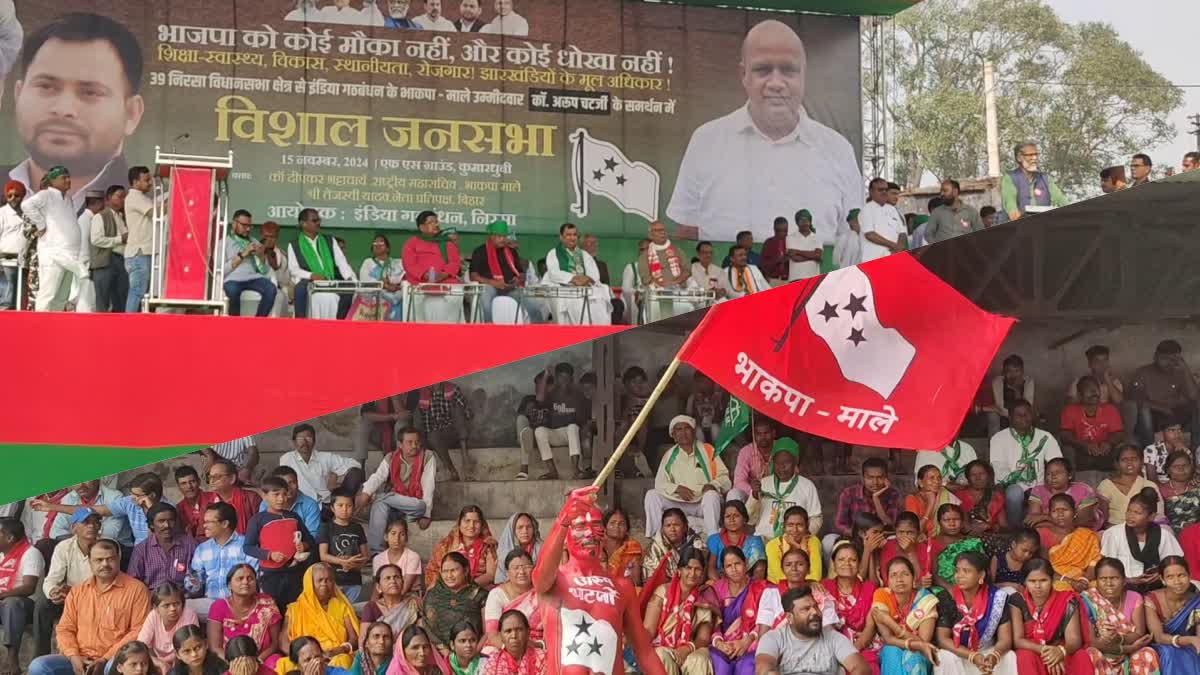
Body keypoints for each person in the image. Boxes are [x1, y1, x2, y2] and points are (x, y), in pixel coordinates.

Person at [666, 19, 861, 248]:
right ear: (744, 74)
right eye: (763, 70)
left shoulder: (838, 150)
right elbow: (687, 231)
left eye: (788, 70)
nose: (776, 83)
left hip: (813, 280)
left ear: (804, 75)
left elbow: (854, 235)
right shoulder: (706, 141)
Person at [10, 13, 143, 208]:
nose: (63, 110)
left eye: (90, 92)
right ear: (18, 95)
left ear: (131, 113)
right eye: (46, 86)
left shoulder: (146, 207)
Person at [532, 486, 667, 675]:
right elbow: (540, 576)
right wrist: (562, 521)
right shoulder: (554, 581)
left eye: (596, 525)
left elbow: (644, 652)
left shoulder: (622, 587)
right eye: (579, 526)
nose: (589, 533)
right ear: (565, 537)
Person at [28, 539, 151, 675]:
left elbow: (137, 631)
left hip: (113, 659)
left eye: (110, 559)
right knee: (39, 666)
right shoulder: (78, 591)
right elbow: (65, 629)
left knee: (120, 667)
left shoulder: (136, 590)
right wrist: (73, 656)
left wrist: (104, 658)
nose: (105, 564)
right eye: (99, 560)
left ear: (119, 559)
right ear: (90, 562)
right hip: (79, 657)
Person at [932, 551, 1018, 675]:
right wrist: (972, 656)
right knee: (944, 656)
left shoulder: (997, 598)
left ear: (981, 575)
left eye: (966, 571)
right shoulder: (947, 597)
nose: (959, 576)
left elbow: (1005, 639)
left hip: (986, 653)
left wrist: (993, 657)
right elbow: (942, 639)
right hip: (959, 653)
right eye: (957, 571)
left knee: (1009, 656)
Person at [645, 415, 730, 539]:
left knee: (711, 495)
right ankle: (656, 538)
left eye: (687, 428)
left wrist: (713, 485)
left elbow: (725, 477)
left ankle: (713, 538)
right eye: (679, 430)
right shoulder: (669, 455)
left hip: (701, 502)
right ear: (673, 436)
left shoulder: (707, 450)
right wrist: (677, 488)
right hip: (679, 503)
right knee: (651, 495)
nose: (683, 433)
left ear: (694, 432)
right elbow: (659, 483)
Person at [755, 585, 871, 675]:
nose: (815, 612)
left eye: (815, 606)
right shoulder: (773, 638)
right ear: (790, 617)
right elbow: (764, 668)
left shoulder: (833, 637)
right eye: (806, 609)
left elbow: (861, 669)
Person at [243, 476, 316, 613]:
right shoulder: (258, 519)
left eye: (284, 494)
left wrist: (304, 546)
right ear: (264, 496)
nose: (281, 499)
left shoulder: (293, 517)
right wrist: (269, 555)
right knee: (272, 610)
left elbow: (310, 540)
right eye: (276, 495)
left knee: (294, 609)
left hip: (295, 570)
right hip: (271, 573)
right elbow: (248, 547)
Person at [1008, 558, 1092, 674]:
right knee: (1023, 655)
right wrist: (1048, 652)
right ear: (1025, 582)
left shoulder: (1066, 600)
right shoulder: (1017, 600)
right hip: (1035, 651)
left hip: (1062, 651)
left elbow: (1074, 639)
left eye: (1043, 580)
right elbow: (1018, 640)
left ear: (1052, 580)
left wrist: (1060, 651)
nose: (1038, 586)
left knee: (1081, 655)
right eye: (1032, 581)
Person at [358, 428, 436, 554]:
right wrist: (366, 492)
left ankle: (380, 497)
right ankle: (376, 554)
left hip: (413, 506)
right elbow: (378, 476)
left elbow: (429, 485)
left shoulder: (428, 456)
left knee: (419, 505)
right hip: (394, 506)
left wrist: (426, 514)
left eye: (417, 442)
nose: (414, 446)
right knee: (379, 505)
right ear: (400, 444)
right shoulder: (391, 457)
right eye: (409, 442)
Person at [1078, 557, 1160, 674]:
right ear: (1096, 581)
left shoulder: (1134, 597)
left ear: (1124, 580)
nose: (1109, 583)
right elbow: (1092, 642)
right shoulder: (1087, 600)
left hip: (1130, 652)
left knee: (1147, 653)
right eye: (1103, 579)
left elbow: (1139, 633)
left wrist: (1119, 638)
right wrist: (1125, 648)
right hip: (1103, 651)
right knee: (1091, 654)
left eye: (1114, 578)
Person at [22, 165, 87, 310]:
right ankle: (39, 327)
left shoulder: (68, 199)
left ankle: (54, 328)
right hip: (53, 252)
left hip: (69, 254)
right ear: (52, 180)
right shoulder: (46, 194)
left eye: (68, 177)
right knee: (48, 293)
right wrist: (40, 224)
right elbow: (27, 205)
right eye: (63, 177)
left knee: (62, 296)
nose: (68, 180)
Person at [35, 508, 98, 658]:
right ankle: (39, 656)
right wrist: (53, 592)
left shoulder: (108, 545)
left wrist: (74, 591)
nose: (92, 526)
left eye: (96, 523)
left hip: (96, 598)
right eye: (86, 522)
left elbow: (104, 583)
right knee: (43, 604)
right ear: (73, 528)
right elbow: (52, 578)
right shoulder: (64, 547)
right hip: (69, 598)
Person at [991, 399, 1063, 530]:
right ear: (1010, 417)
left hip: (1040, 485)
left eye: (1027, 414)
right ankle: (1016, 530)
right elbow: (1000, 472)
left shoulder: (1045, 437)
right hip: (1012, 487)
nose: (1023, 418)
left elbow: (1057, 464)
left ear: (1033, 415)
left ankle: (1037, 529)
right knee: (1014, 492)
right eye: (1018, 415)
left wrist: (1048, 483)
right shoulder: (999, 438)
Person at [642, 546, 712, 675]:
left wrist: (687, 649)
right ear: (679, 570)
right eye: (688, 568)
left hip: (689, 649)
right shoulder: (662, 592)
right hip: (662, 647)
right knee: (661, 654)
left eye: (697, 570)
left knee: (700, 659)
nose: (692, 573)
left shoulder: (703, 601)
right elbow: (649, 629)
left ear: (702, 574)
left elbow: (703, 638)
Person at [277, 564, 360, 673]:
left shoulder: (341, 606)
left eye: (328, 580)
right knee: (284, 664)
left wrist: (339, 650)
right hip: (303, 658)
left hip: (333, 656)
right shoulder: (295, 609)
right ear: (309, 583)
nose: (324, 584)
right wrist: (301, 658)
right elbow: (283, 641)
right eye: (320, 580)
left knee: (343, 660)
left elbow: (354, 638)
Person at [185, 503, 258, 620]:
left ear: (225, 524)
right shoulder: (202, 549)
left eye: (209, 522)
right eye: (205, 522)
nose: (204, 526)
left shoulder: (246, 545)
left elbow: (256, 578)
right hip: (211, 603)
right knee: (181, 607)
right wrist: (193, 583)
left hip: (241, 602)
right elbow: (193, 583)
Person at [1101, 489, 1182, 594]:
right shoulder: (1113, 534)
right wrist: (1129, 580)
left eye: (1137, 513)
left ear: (1151, 517)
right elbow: (1107, 568)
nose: (1131, 516)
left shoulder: (1163, 535)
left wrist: (1161, 573)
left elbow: (1174, 563)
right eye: (1129, 511)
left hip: (1157, 588)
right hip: (1122, 588)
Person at [206, 563, 283, 670]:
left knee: (277, 663)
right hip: (228, 662)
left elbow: (275, 643)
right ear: (229, 585)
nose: (245, 582)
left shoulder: (267, 603)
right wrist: (236, 665)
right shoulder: (219, 606)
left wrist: (257, 661)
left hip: (262, 659)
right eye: (240, 579)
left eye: (250, 578)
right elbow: (215, 647)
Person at [871, 557, 939, 674]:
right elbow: (888, 639)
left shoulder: (926, 600)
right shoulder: (882, 595)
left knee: (914, 656)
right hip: (892, 648)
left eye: (905, 574)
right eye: (893, 575)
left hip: (920, 653)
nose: (899, 579)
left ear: (913, 579)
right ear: (888, 582)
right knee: (891, 651)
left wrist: (890, 622)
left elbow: (923, 642)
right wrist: (911, 643)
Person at [287, 209, 355, 319]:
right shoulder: (294, 245)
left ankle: (340, 323)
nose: (318, 223)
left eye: (319, 220)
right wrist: (311, 275)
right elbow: (293, 269)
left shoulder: (329, 240)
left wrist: (349, 279)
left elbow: (342, 262)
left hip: (329, 279)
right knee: (299, 289)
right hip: (309, 281)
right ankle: (300, 324)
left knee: (349, 289)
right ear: (303, 224)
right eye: (314, 220)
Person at [822, 541, 880, 669]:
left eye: (852, 560)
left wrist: (853, 650)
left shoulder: (870, 589)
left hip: (863, 645)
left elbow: (870, 627)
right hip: (832, 646)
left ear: (859, 564)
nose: (847, 564)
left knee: (867, 665)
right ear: (834, 565)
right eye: (841, 559)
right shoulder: (824, 587)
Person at [1130, 340, 1199, 449]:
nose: (1168, 362)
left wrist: (1185, 368)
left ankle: (1196, 450)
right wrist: (1161, 407)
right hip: (1154, 417)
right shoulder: (1143, 372)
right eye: (1164, 358)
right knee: (1144, 410)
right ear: (1155, 356)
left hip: (1174, 415)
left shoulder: (1178, 373)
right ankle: (1150, 451)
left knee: (1197, 406)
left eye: (1172, 359)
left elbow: (1193, 396)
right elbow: (1135, 399)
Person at [825, 458, 899, 558]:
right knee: (828, 541)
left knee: (894, 540)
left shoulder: (892, 494)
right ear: (863, 477)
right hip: (854, 537)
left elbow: (889, 524)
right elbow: (840, 523)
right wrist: (859, 536)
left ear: (886, 478)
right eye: (870, 478)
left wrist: (876, 499)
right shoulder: (849, 493)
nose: (875, 482)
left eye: (880, 477)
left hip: (881, 539)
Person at [470, 220, 541, 324]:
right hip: (490, 286)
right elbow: (473, 276)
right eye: (499, 236)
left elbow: (521, 273)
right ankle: (488, 329)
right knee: (485, 300)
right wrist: (492, 282)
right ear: (491, 236)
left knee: (534, 305)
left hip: (510, 287)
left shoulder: (511, 251)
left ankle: (539, 330)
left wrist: (518, 279)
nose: (503, 239)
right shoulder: (480, 251)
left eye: (504, 236)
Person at [279, 424, 364, 509]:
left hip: (325, 503)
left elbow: (356, 464)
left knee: (356, 473)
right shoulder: (287, 459)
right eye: (300, 439)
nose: (305, 442)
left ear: (314, 441)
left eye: (308, 438)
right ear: (294, 442)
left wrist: (335, 475)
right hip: (302, 504)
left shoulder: (325, 457)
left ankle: (343, 502)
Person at [542, 223, 611, 326]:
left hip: (585, 287)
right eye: (568, 235)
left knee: (600, 296)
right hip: (565, 288)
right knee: (577, 301)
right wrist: (573, 278)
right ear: (561, 237)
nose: (572, 238)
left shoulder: (584, 254)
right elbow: (554, 273)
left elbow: (594, 274)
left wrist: (586, 279)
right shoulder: (553, 253)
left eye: (574, 235)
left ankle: (600, 333)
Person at [754, 439, 822, 540]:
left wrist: (803, 535)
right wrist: (754, 496)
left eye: (787, 462)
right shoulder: (763, 484)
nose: (782, 467)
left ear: (795, 462)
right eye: (778, 463)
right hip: (764, 538)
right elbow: (750, 519)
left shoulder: (807, 486)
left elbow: (816, 518)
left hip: (796, 539)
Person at [422, 552, 485, 658]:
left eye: (454, 570)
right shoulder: (433, 595)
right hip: (438, 654)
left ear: (465, 570)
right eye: (445, 571)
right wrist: (446, 652)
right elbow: (426, 625)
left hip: (473, 653)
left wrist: (473, 655)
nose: (449, 576)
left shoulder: (479, 595)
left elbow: (488, 632)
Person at [0, 518, 42, 673]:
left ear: (9, 538)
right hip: (3, 604)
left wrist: (2, 595)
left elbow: (29, 587)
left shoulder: (31, 553)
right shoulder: (1, 555)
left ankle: (12, 661)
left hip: (26, 606)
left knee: (12, 603)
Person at [1144, 555, 1200, 672]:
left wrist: (1194, 642)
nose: (1177, 582)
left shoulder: (1196, 600)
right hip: (1163, 646)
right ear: (1162, 579)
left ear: (1189, 576)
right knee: (1168, 653)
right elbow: (1158, 637)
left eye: (1181, 575)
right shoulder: (1151, 599)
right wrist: (1189, 640)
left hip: (1191, 646)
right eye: (1170, 577)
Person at [1036, 494, 1099, 592]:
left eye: (1064, 510)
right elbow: (1042, 568)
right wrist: (1070, 582)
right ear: (1049, 514)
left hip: (1082, 579)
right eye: (1055, 511)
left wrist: (1084, 580)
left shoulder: (1087, 535)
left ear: (1074, 512)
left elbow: (1094, 563)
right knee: (1059, 587)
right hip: (1055, 578)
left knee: (1098, 586)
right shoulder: (1042, 534)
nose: (1060, 514)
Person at [1060, 375, 1124, 471]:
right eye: (1089, 389)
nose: (1094, 392)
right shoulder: (1070, 411)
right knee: (1067, 451)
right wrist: (1083, 445)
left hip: (1106, 453)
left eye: (1096, 389)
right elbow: (1064, 436)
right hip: (1081, 454)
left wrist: (1108, 443)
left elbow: (1119, 433)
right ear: (1079, 395)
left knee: (1122, 448)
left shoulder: (1110, 410)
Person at [425, 506, 497, 590]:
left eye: (476, 522)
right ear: (459, 523)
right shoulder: (445, 545)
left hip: (477, 589)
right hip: (447, 589)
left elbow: (490, 575)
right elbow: (432, 570)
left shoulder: (488, 545)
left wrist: (466, 588)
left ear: (482, 525)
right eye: (467, 521)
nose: (471, 526)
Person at [129, 504, 199, 591]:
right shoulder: (141, 549)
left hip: (184, 598)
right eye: (161, 521)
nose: (167, 525)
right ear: (151, 525)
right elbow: (133, 582)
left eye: (171, 520)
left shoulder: (190, 545)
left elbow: (198, 576)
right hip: (153, 599)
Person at [223, 210, 276, 317]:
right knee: (232, 291)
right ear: (234, 224)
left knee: (271, 289)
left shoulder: (255, 242)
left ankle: (257, 324)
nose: (248, 229)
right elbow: (221, 271)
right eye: (244, 225)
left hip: (254, 278)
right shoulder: (224, 243)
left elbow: (265, 271)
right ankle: (235, 326)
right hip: (233, 280)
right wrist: (243, 254)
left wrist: (261, 256)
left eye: (249, 226)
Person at [1024, 457, 1101, 532]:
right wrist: (1061, 523)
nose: (1053, 477)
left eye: (1058, 473)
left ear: (1070, 475)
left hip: (1077, 532)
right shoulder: (1038, 490)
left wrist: (1046, 517)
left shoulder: (1083, 490)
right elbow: (1033, 521)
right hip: (1050, 532)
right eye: (1048, 474)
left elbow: (1082, 521)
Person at [318, 491, 368, 603]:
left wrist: (353, 564)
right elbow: (323, 555)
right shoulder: (326, 527)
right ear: (332, 508)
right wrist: (342, 561)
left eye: (349, 506)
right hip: (333, 580)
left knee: (350, 612)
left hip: (354, 581)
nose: (345, 509)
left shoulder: (357, 528)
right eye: (340, 505)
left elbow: (364, 555)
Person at [484, 549, 538, 653]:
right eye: (516, 568)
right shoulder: (496, 595)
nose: (521, 572)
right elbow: (492, 634)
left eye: (526, 567)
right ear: (507, 573)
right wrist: (509, 650)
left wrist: (539, 645)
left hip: (535, 645)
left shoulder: (541, 592)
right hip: (503, 646)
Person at [1097, 445, 1163, 528]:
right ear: (1117, 463)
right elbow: (1102, 519)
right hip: (1114, 530)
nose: (1129, 463)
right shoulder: (1106, 485)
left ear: (1142, 462)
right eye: (1124, 460)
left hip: (1144, 530)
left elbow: (1158, 516)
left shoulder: (1149, 485)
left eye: (1134, 459)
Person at [1000, 142, 1069, 221]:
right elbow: (1013, 212)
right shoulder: (1009, 178)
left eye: (1036, 154)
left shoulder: (1045, 178)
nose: (1035, 158)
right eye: (1030, 155)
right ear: (1019, 157)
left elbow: (1063, 202)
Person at [87, 184, 129, 313]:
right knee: (103, 300)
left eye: (124, 197)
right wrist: (119, 239)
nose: (123, 200)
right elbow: (96, 240)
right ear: (109, 198)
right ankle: (100, 331)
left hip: (121, 261)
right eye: (120, 196)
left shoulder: (122, 217)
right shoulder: (100, 216)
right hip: (105, 262)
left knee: (121, 299)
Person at [139, 586, 198, 674]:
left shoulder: (188, 615)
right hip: (155, 660)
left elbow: (190, 647)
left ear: (183, 604)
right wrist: (159, 663)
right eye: (166, 605)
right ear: (156, 608)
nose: (173, 609)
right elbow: (140, 647)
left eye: (177, 604)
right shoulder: (153, 616)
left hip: (182, 661)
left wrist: (169, 663)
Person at [928, 505, 986, 592]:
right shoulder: (933, 543)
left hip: (972, 586)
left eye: (956, 519)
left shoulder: (971, 542)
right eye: (946, 520)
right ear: (939, 522)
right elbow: (934, 575)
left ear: (962, 522)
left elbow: (982, 568)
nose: (952, 524)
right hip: (946, 588)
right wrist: (951, 589)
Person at [257, 467, 321, 545]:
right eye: (283, 484)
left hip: (301, 548)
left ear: (298, 483)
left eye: (291, 482)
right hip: (272, 548)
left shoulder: (310, 505)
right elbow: (261, 531)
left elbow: (312, 535)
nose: (288, 487)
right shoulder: (266, 503)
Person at [704, 501, 765, 582]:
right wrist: (722, 587)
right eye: (727, 516)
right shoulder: (714, 540)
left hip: (748, 585)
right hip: (719, 584)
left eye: (736, 516)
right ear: (723, 520)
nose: (732, 520)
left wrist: (746, 588)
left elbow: (759, 570)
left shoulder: (755, 541)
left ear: (744, 519)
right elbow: (711, 568)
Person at [352, 234, 404, 322]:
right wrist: (384, 285)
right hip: (373, 302)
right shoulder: (368, 262)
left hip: (394, 301)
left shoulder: (397, 263)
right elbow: (365, 282)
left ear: (388, 248)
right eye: (375, 244)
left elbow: (403, 278)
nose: (378, 245)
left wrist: (394, 284)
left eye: (381, 243)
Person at [361, 565, 419, 644]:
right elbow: (364, 639)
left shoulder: (413, 604)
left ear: (403, 582)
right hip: (378, 652)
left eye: (396, 577)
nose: (393, 581)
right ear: (378, 587)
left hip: (406, 652)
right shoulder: (371, 607)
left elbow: (420, 633)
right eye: (387, 578)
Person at [765, 507, 822, 585]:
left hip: (807, 587)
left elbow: (816, 576)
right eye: (790, 525)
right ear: (784, 526)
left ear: (807, 526)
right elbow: (779, 577)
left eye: (799, 525)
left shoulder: (813, 541)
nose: (795, 529)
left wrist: (797, 547)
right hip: (778, 588)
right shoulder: (772, 545)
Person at [954, 461, 1007, 543]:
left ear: (988, 476)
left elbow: (1004, 527)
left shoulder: (996, 497)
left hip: (991, 540)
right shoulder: (959, 496)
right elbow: (955, 523)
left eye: (982, 473)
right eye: (973, 475)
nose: (978, 478)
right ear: (968, 478)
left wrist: (989, 526)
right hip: (965, 540)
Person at [207, 460, 263, 535]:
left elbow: (261, 527)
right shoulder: (208, 501)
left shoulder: (251, 498)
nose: (212, 481)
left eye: (217, 476)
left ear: (232, 478)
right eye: (210, 477)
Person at [858, 177, 907, 263]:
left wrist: (898, 248)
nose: (884, 192)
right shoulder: (867, 209)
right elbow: (870, 235)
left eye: (886, 189)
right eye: (880, 190)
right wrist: (894, 246)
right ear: (871, 192)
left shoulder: (892, 210)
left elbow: (902, 233)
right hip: (873, 260)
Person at [906, 466, 962, 538]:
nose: (937, 481)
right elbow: (912, 531)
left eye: (939, 478)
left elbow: (955, 525)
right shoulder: (912, 499)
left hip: (942, 541)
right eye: (931, 478)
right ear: (920, 483)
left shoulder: (945, 495)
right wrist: (931, 504)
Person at [482, 609, 543, 675]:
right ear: (501, 636)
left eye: (519, 630)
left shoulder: (542, 658)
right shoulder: (493, 663)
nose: (514, 636)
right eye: (508, 631)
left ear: (528, 632)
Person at [925, 180, 984, 245]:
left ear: (955, 192)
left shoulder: (971, 212)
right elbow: (928, 234)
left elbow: (980, 234)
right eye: (941, 191)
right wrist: (937, 247)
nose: (942, 194)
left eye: (945, 191)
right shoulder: (936, 212)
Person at [370, 520, 422, 594]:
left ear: (406, 538)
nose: (397, 538)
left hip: (408, 597)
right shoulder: (378, 559)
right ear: (386, 537)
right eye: (393, 533)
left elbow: (403, 589)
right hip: (385, 598)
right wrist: (372, 604)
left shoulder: (413, 557)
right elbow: (377, 588)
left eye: (402, 534)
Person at [1158, 450, 1200, 532]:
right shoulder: (1160, 490)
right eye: (1175, 466)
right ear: (1167, 470)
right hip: (1169, 536)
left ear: (1191, 467)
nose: (1181, 469)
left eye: (1185, 465)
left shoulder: (1197, 489)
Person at [494, 514, 540, 586]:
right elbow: (501, 581)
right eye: (520, 527)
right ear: (512, 531)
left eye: (529, 527)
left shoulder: (542, 549)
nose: (525, 531)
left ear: (534, 529)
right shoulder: (504, 553)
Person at [174, 467, 217, 543]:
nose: (189, 487)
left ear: (199, 481)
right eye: (183, 483)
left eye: (192, 481)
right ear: (178, 487)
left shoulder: (214, 498)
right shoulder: (179, 508)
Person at [601, 508, 642, 587]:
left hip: (624, 592)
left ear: (627, 529)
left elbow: (636, 582)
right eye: (612, 523)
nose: (617, 526)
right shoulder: (597, 546)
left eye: (621, 523)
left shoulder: (633, 548)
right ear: (605, 528)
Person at [1143, 416, 1191, 484]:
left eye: (1179, 430)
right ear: (1163, 433)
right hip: (1157, 488)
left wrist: (1181, 453)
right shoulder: (1151, 450)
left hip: (1178, 487)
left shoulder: (1186, 451)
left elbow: (1189, 476)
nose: (1177, 434)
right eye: (1172, 430)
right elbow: (1152, 480)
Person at [912, 441, 978, 489]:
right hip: (936, 502)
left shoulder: (967, 449)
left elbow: (977, 477)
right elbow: (919, 483)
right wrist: (945, 485)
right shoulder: (925, 451)